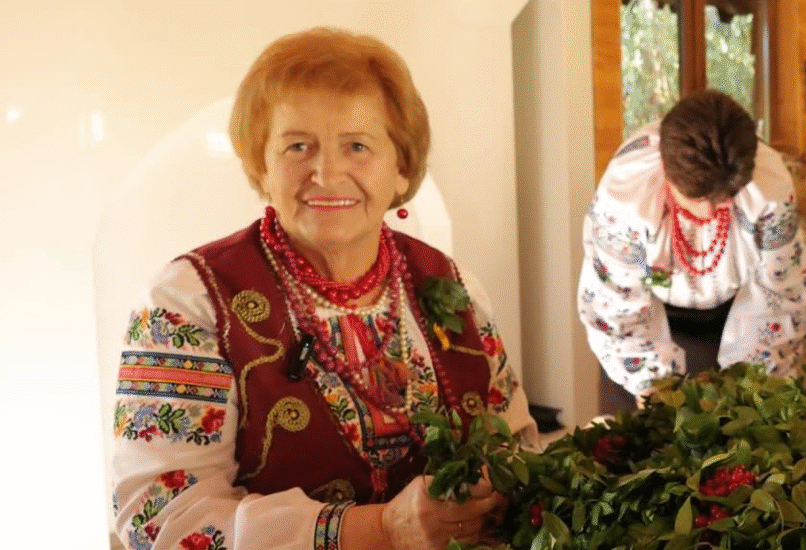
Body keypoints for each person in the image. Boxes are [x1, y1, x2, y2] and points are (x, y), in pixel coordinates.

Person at [109, 27, 537, 550]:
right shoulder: (186, 303)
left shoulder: (455, 287)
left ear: (401, 169)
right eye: (298, 146)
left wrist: (497, 494)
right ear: (261, 166)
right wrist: (382, 529)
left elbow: (519, 452)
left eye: (357, 146)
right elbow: (160, 520)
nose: (326, 172)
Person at [578, 90, 806, 412]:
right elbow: (616, 302)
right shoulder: (626, 197)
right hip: (643, 325)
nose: (707, 214)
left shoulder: (768, 188)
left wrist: (753, 382)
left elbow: (780, 290)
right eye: (696, 200)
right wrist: (651, 386)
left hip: (737, 320)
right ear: (665, 169)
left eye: (724, 199)